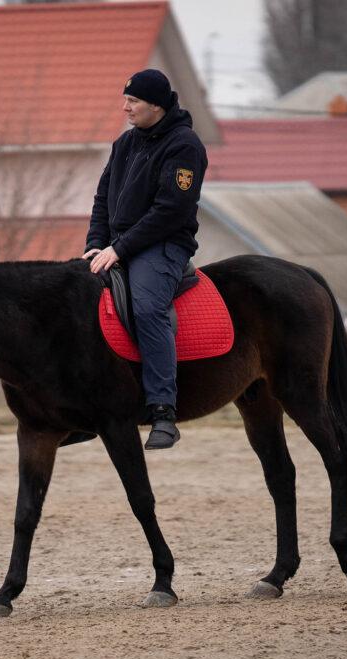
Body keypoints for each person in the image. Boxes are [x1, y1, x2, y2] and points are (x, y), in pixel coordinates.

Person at [83, 69, 208, 450]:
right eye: (126, 100)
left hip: (163, 245)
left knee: (148, 307)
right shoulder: (125, 144)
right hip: (117, 243)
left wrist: (119, 249)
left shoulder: (184, 145)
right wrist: (95, 243)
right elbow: (103, 199)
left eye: (133, 102)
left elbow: (170, 210)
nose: (125, 108)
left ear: (155, 104)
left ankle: (163, 410)